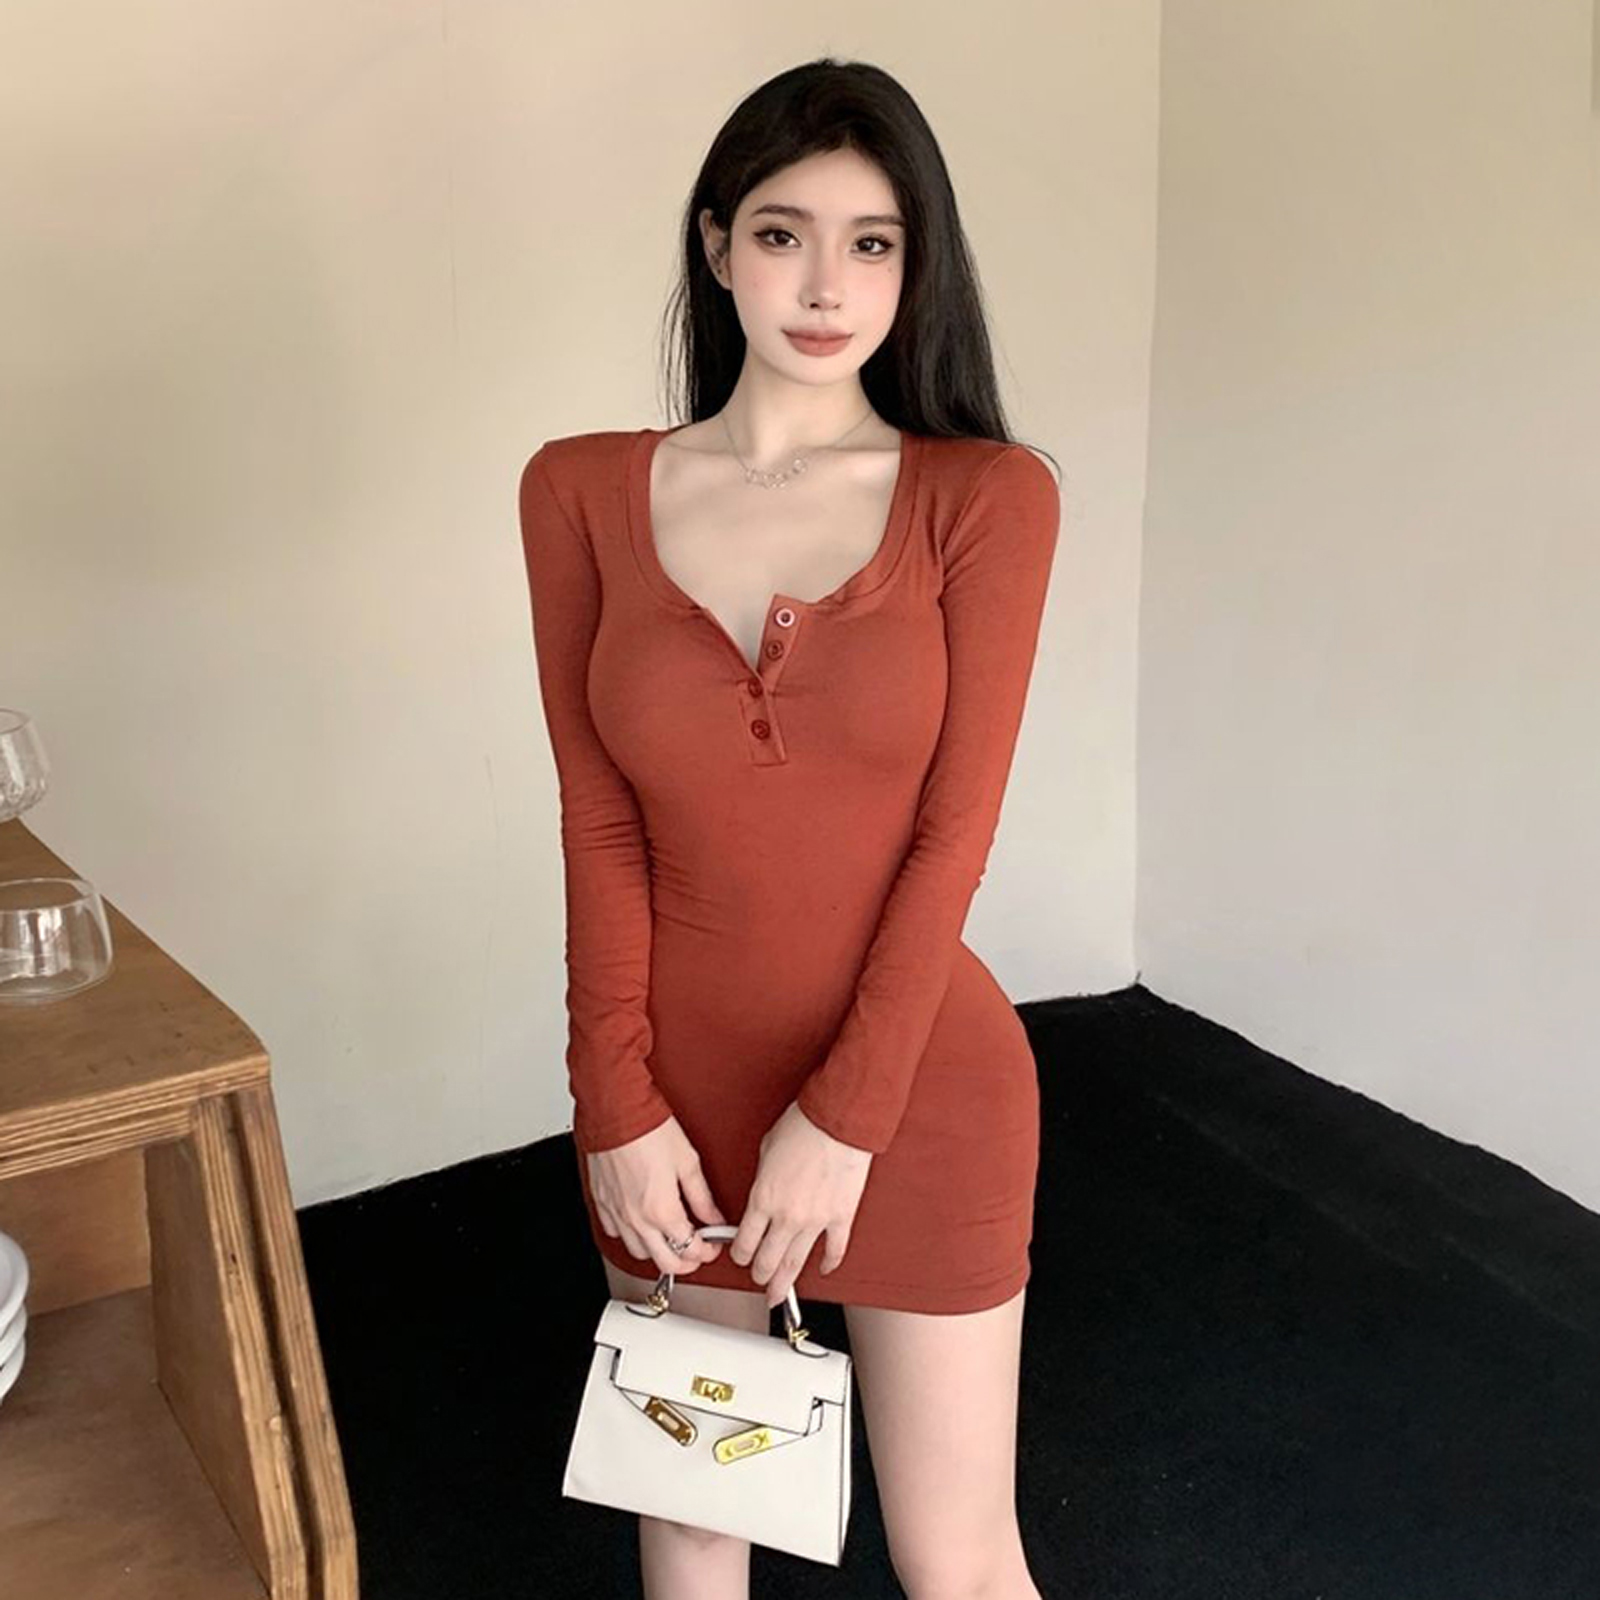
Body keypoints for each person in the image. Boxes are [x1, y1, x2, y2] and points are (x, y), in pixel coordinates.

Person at [519, 56, 1062, 1600]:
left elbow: (953, 837)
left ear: (915, 265)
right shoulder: (577, 491)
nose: (827, 285)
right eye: (782, 234)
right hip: (672, 1113)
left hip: (920, 1090)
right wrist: (611, 1103)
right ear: (715, 244)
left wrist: (848, 1120)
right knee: (698, 1528)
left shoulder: (985, 496)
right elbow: (596, 817)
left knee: (957, 1557)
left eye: (872, 242)